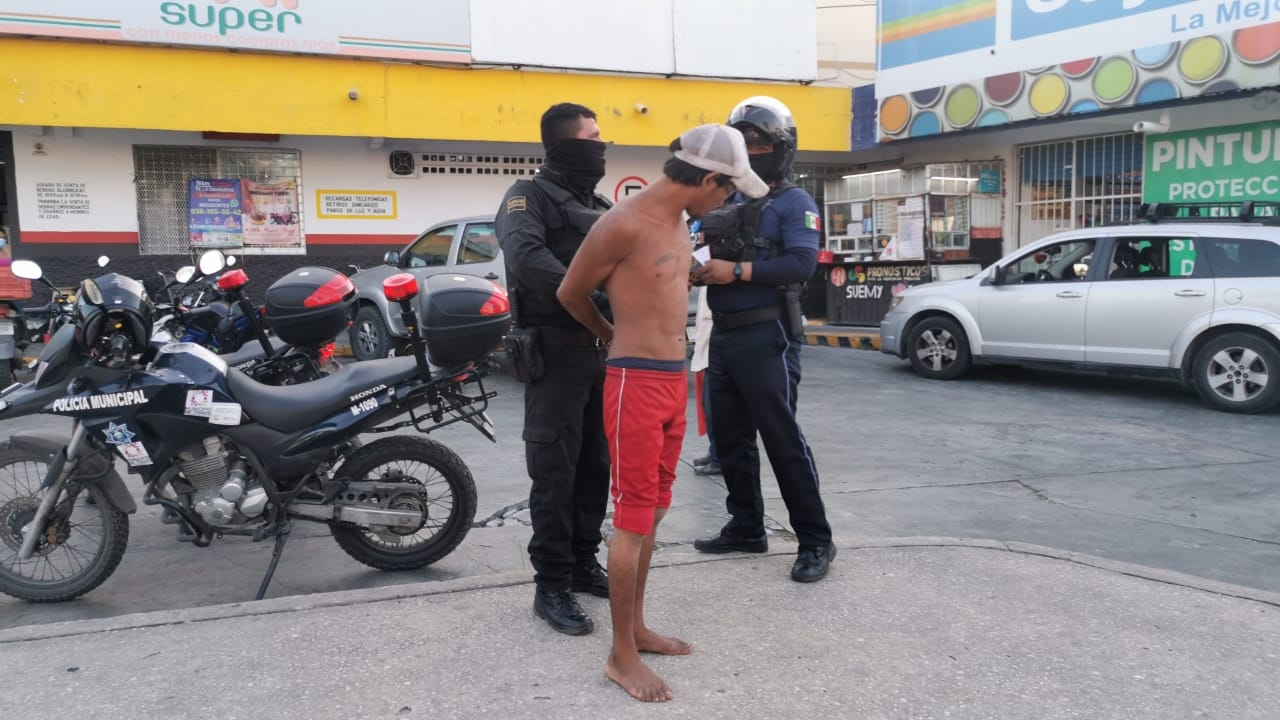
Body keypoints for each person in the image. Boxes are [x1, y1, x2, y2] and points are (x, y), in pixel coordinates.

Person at [558, 123, 768, 703]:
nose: (728, 199)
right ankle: (619, 656)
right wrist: (609, 337)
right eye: (727, 190)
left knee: (652, 512)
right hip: (634, 384)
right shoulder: (622, 223)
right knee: (630, 519)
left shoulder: (680, 221)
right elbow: (571, 293)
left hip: (675, 382)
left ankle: (637, 629)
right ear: (706, 180)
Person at [691, 96, 836, 583]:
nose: (752, 151)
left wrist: (736, 270)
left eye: (760, 143)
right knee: (729, 441)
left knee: (781, 439)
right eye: (744, 143)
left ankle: (816, 539)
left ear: (781, 148)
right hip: (723, 339)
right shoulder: (724, 202)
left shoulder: (795, 203)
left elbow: (802, 264)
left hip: (767, 334)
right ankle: (747, 526)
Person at [496, 102, 614, 636]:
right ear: (566, 144)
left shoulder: (600, 204)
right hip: (555, 349)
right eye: (593, 137)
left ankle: (584, 562)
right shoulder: (527, 196)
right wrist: (587, 287)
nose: (601, 145)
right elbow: (525, 259)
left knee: (595, 466)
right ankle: (552, 585)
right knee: (554, 471)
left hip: (601, 350)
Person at [689, 285, 721, 476]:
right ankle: (714, 451)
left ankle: (719, 457)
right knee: (707, 407)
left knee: (714, 409)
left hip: (715, 352)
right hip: (706, 352)